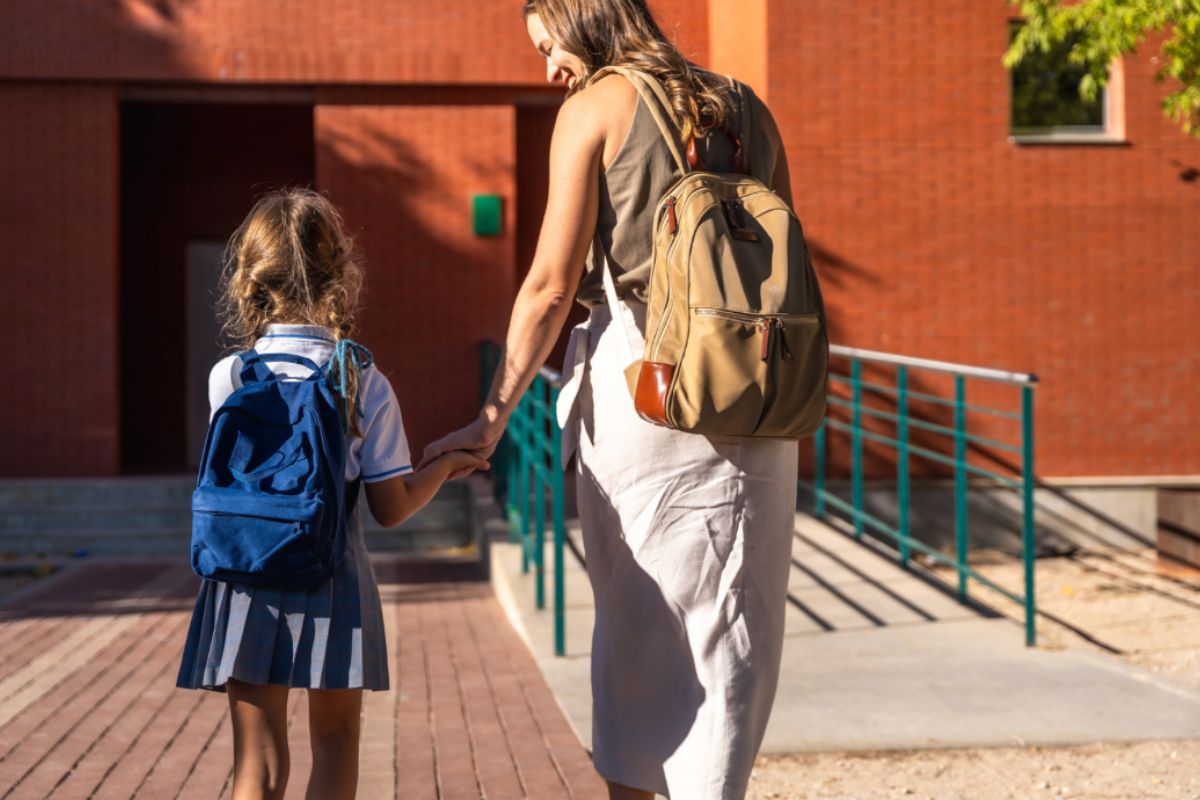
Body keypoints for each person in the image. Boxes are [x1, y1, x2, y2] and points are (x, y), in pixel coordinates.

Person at [420, 2, 800, 798]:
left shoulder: (594, 107)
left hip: (647, 392)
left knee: (637, 649)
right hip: (758, 402)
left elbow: (552, 286)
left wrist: (491, 419)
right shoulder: (747, 106)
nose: (548, 65)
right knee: (734, 645)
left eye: (548, 43)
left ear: (584, 20)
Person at [176, 188, 487, 800]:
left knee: (256, 765)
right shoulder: (361, 378)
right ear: (338, 274)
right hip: (333, 568)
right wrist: (446, 466)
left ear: (252, 277)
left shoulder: (230, 376)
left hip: (244, 569)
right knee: (338, 741)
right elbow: (390, 508)